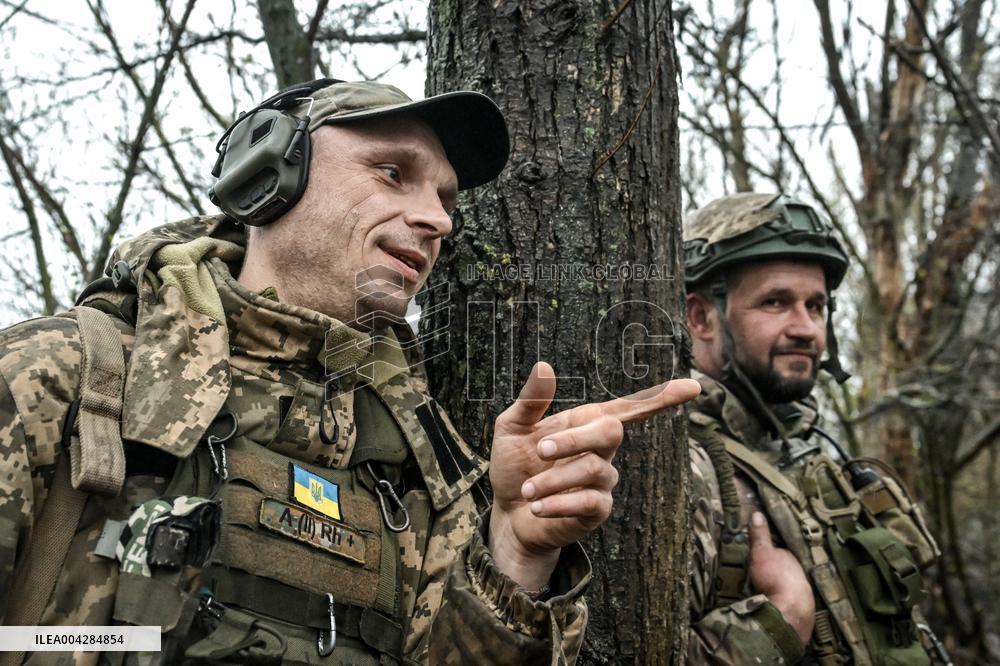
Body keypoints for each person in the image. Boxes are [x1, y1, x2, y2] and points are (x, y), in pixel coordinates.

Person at [0, 79, 700, 664]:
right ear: (270, 174)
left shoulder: (429, 467)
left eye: (447, 200)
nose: (436, 221)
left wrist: (515, 550)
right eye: (393, 173)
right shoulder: (64, 375)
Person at [682, 193, 948, 665]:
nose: (806, 328)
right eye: (776, 302)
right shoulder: (682, 470)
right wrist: (783, 621)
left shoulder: (804, 448)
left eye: (816, 306)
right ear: (701, 317)